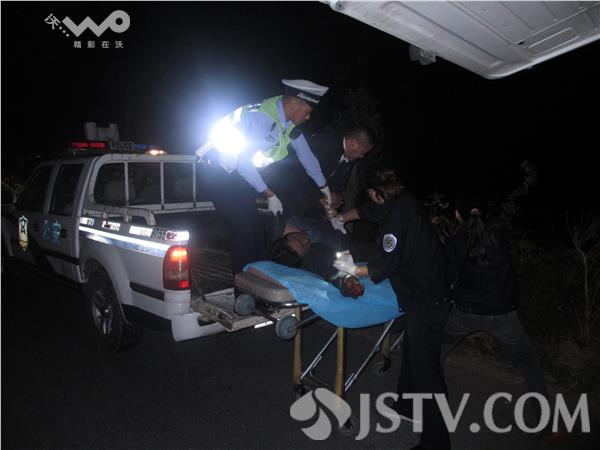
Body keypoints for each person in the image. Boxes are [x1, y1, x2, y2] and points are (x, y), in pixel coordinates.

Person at [333, 163, 451, 450]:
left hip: (427, 299)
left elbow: (387, 264)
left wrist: (352, 269)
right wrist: (339, 218)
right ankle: (407, 406)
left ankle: (437, 444)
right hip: (425, 294)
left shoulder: (400, 216)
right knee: (414, 352)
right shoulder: (395, 199)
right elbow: (365, 211)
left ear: (376, 192)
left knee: (427, 373)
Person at [441, 192, 559, 441]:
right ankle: (547, 425)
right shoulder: (500, 238)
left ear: (457, 215)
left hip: (465, 313)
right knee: (528, 363)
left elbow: (448, 281)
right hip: (503, 315)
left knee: (435, 351)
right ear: (487, 215)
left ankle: (417, 400)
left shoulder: (455, 243)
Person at [196, 79, 333, 275]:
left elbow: (308, 158)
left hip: (236, 175)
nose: (308, 117)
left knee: (257, 229)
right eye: (307, 111)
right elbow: (243, 163)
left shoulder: (287, 125)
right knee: (246, 229)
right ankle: (242, 285)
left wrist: (325, 189)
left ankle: (259, 278)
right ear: (294, 103)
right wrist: (270, 195)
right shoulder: (261, 118)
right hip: (216, 172)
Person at [269, 216, 364, 298]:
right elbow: (330, 271)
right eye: (304, 246)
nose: (305, 240)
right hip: (357, 248)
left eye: (298, 239)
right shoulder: (314, 257)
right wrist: (345, 281)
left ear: (287, 236)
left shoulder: (292, 220)